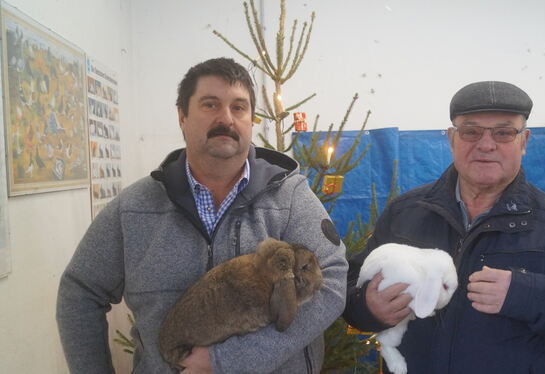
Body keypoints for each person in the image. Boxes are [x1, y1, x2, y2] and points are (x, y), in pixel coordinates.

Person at [56, 57, 348, 374]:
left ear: (251, 121)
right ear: (182, 117)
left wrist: (229, 361)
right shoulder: (134, 208)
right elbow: (79, 292)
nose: (226, 118)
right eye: (210, 105)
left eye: (239, 107)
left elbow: (332, 282)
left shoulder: (290, 198)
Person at [343, 81, 545, 373]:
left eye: (504, 132)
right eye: (471, 131)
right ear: (453, 139)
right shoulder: (406, 213)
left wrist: (527, 294)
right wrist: (368, 308)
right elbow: (350, 288)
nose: (486, 144)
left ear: (524, 141)